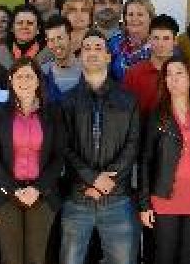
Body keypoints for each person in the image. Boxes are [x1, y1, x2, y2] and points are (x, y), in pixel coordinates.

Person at [59, 32, 142, 264]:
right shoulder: (67, 102)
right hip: (78, 199)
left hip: (117, 199)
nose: (92, 52)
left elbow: (133, 145)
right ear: (80, 56)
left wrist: (107, 182)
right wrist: (93, 180)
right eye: (87, 48)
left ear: (108, 56)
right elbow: (64, 148)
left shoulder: (128, 100)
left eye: (98, 47)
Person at [138, 57, 190, 264]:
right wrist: (144, 204)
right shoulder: (157, 116)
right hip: (164, 199)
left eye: (179, 73)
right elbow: (146, 161)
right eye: (168, 75)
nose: (172, 79)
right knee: (163, 258)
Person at [0, 58, 65, 264]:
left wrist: (37, 188)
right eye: (19, 76)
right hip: (6, 194)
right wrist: (14, 190)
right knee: (11, 258)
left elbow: (59, 157)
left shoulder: (53, 114)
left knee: (37, 258)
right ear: (10, 80)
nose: (24, 81)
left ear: (38, 81)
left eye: (29, 76)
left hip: (42, 194)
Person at [122, 14, 179, 114]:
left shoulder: (186, 73)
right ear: (149, 40)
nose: (160, 44)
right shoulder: (133, 74)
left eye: (166, 38)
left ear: (175, 41)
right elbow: (125, 113)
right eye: (156, 38)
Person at [107, 0, 155, 81]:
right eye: (130, 14)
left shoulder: (160, 43)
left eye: (140, 14)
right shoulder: (114, 43)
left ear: (150, 18)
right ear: (125, 18)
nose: (134, 19)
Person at [41, 16, 83, 102]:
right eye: (51, 40)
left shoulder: (86, 70)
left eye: (60, 38)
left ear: (70, 37)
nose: (56, 44)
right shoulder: (42, 71)